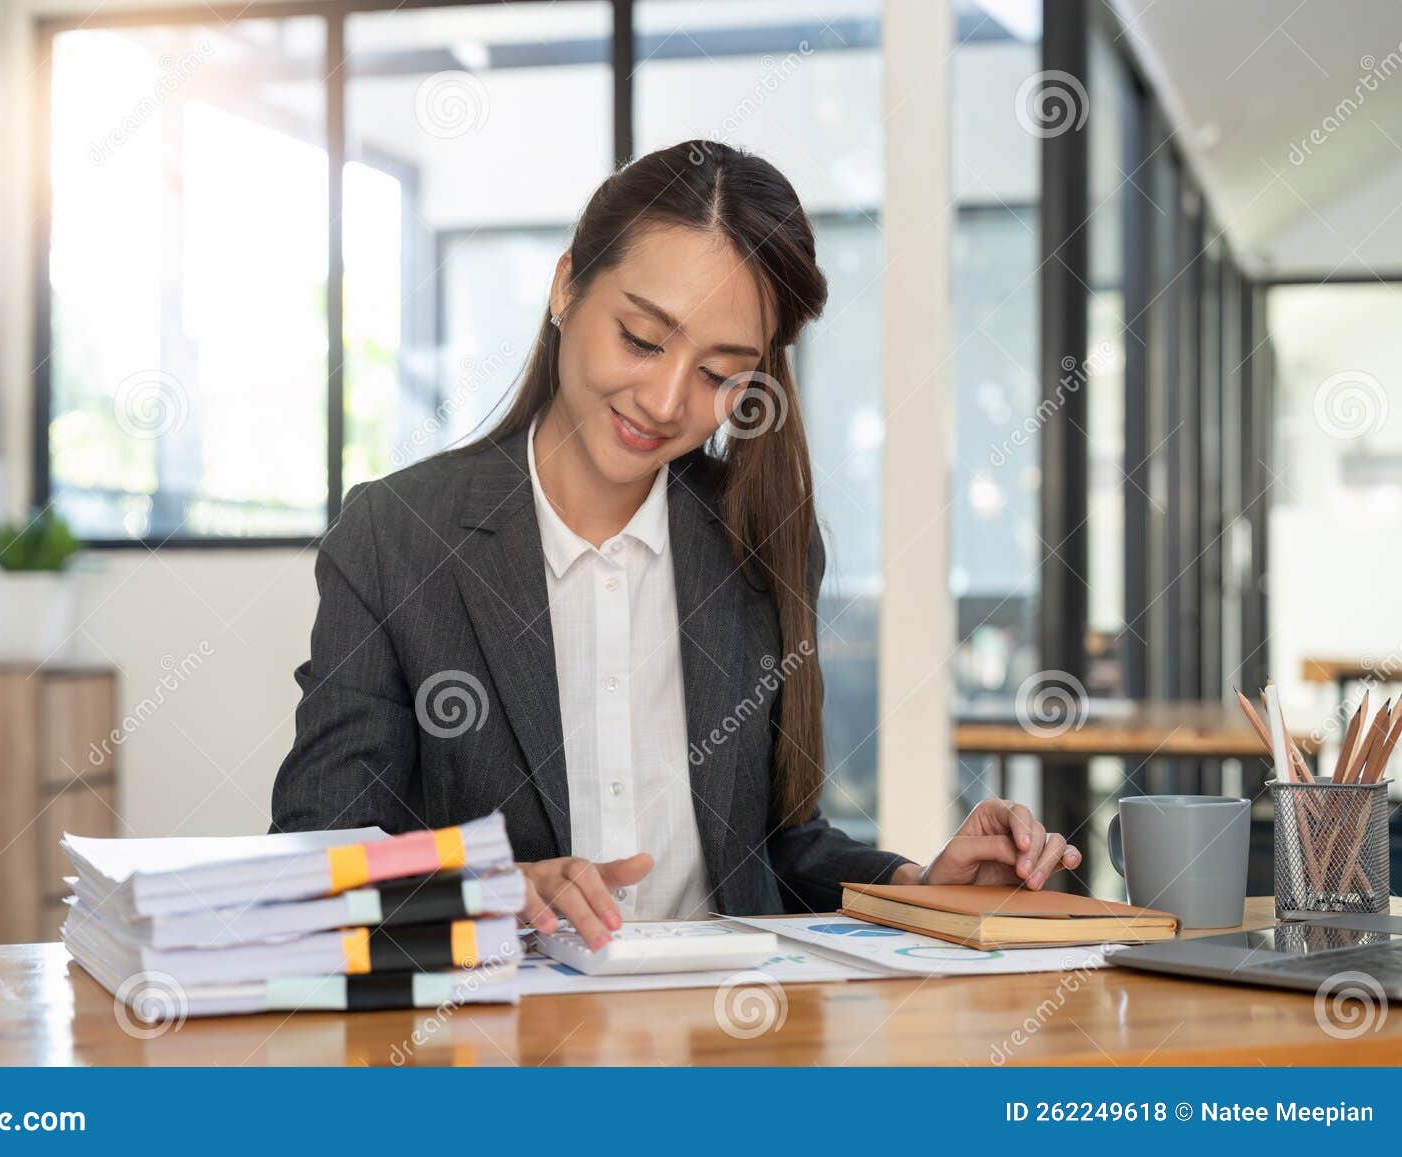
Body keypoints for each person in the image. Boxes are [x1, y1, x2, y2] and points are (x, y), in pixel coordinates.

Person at [271, 139, 1081, 950]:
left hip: (726, 1040)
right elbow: (321, 849)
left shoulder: (766, 543)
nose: (664, 401)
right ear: (565, 286)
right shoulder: (396, 538)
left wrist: (916, 886)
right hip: (496, 1046)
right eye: (642, 338)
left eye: (720, 373)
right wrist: (496, 888)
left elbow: (778, 845)